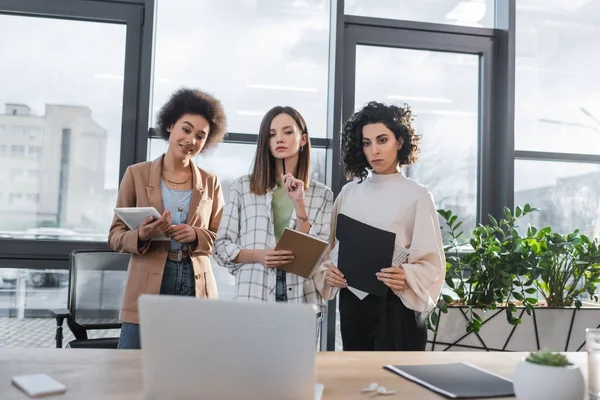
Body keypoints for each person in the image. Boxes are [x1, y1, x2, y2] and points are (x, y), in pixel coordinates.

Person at [313, 101, 446, 351]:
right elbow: (328, 252)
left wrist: (406, 275)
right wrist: (328, 272)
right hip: (352, 304)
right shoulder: (348, 193)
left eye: (382, 140)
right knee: (358, 383)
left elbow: (432, 262)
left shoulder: (417, 195)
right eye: (366, 143)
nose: (374, 150)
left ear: (400, 141)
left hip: (396, 306)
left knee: (396, 384)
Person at [108, 88, 227, 349]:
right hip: (148, 281)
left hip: (196, 282)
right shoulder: (136, 175)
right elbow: (115, 236)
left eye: (200, 136)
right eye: (186, 129)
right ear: (170, 125)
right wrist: (141, 235)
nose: (191, 140)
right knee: (131, 368)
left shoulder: (210, 182)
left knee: (193, 368)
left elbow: (223, 239)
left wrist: (196, 235)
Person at [214, 106, 333, 312]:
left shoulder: (322, 195)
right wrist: (260, 255)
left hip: (300, 299)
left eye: (287, 132)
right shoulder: (243, 187)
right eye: (272, 134)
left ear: (303, 139)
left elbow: (318, 256)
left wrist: (299, 204)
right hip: (252, 295)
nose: (279, 139)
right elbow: (221, 247)